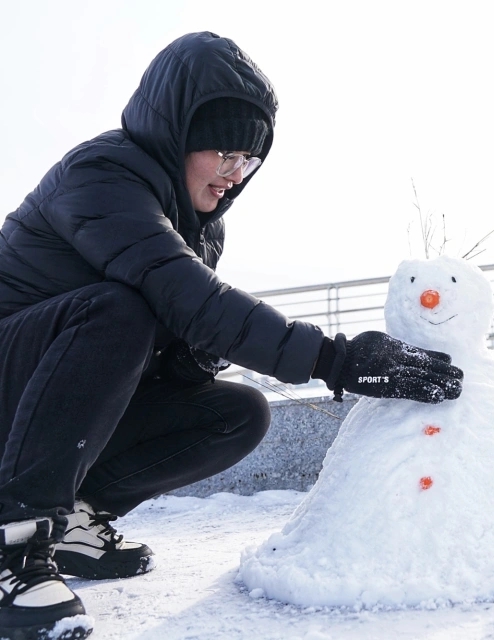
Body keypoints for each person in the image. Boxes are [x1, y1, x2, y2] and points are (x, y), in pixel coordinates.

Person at [0, 32, 463, 640]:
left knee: (236, 411)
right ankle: (13, 544)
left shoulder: (200, 228)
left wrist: (190, 362)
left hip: (51, 406)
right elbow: (179, 293)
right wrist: (335, 358)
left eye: (250, 159)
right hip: (14, 386)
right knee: (116, 311)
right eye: (222, 150)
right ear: (177, 135)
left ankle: (80, 521)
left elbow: (176, 328)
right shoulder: (99, 176)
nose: (235, 173)